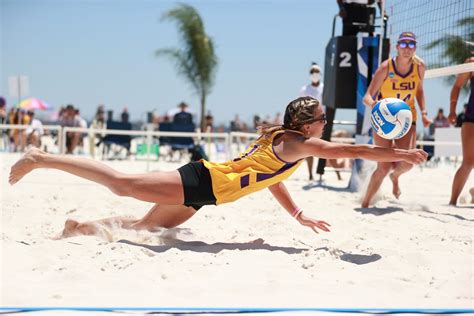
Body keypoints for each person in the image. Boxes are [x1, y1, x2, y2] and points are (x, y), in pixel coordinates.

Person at [9, 97, 428, 239]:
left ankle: (77, 228)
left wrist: (299, 216)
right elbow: (352, 151)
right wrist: (398, 153)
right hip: (202, 178)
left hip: (206, 194)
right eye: (321, 117)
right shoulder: (298, 142)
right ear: (306, 124)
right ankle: (41, 158)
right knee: (120, 184)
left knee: (144, 228)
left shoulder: (288, 148)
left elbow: (271, 181)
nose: (325, 121)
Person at [361, 32, 432, 208]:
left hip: (407, 117)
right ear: (397, 47)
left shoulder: (420, 67)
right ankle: (365, 203)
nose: (407, 48)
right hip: (384, 117)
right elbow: (367, 96)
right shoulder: (386, 67)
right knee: (382, 167)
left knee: (408, 163)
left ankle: (395, 177)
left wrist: (424, 112)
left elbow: (419, 90)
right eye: (403, 44)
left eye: (411, 44)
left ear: (415, 47)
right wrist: (375, 105)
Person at [448, 57, 474, 206]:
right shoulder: (471, 62)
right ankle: (452, 202)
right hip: (471, 119)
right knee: (468, 162)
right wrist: (452, 110)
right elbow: (457, 86)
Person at [299, 62, 324, 180]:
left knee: (326, 146)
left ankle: (332, 174)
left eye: (316, 71)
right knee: (310, 147)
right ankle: (310, 174)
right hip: (309, 121)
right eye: (312, 72)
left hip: (322, 121)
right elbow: (300, 106)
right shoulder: (305, 89)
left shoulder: (324, 88)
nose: (314, 74)